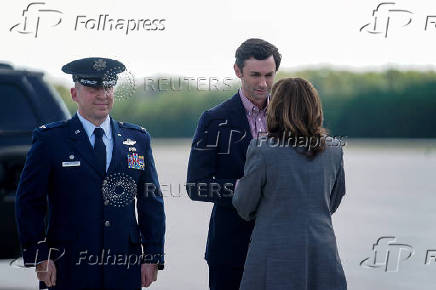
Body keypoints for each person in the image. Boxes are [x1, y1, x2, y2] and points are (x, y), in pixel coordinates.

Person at [15, 57, 165, 290]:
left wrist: (153, 255)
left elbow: (150, 201)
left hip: (123, 264)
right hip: (68, 266)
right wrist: (39, 256)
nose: (102, 95)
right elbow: (29, 202)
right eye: (93, 88)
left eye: (107, 87)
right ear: (75, 93)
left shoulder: (137, 139)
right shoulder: (51, 140)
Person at [232, 77, 347, 290]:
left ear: (275, 108)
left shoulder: (262, 148)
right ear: (315, 107)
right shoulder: (334, 149)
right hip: (322, 253)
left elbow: (244, 205)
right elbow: (333, 200)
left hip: (274, 255)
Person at [186, 39, 281, 290]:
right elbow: (196, 186)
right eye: (255, 75)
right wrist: (246, 189)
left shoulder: (289, 118)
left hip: (283, 249)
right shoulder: (213, 120)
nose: (263, 83)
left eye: (269, 75)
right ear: (238, 71)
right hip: (230, 251)